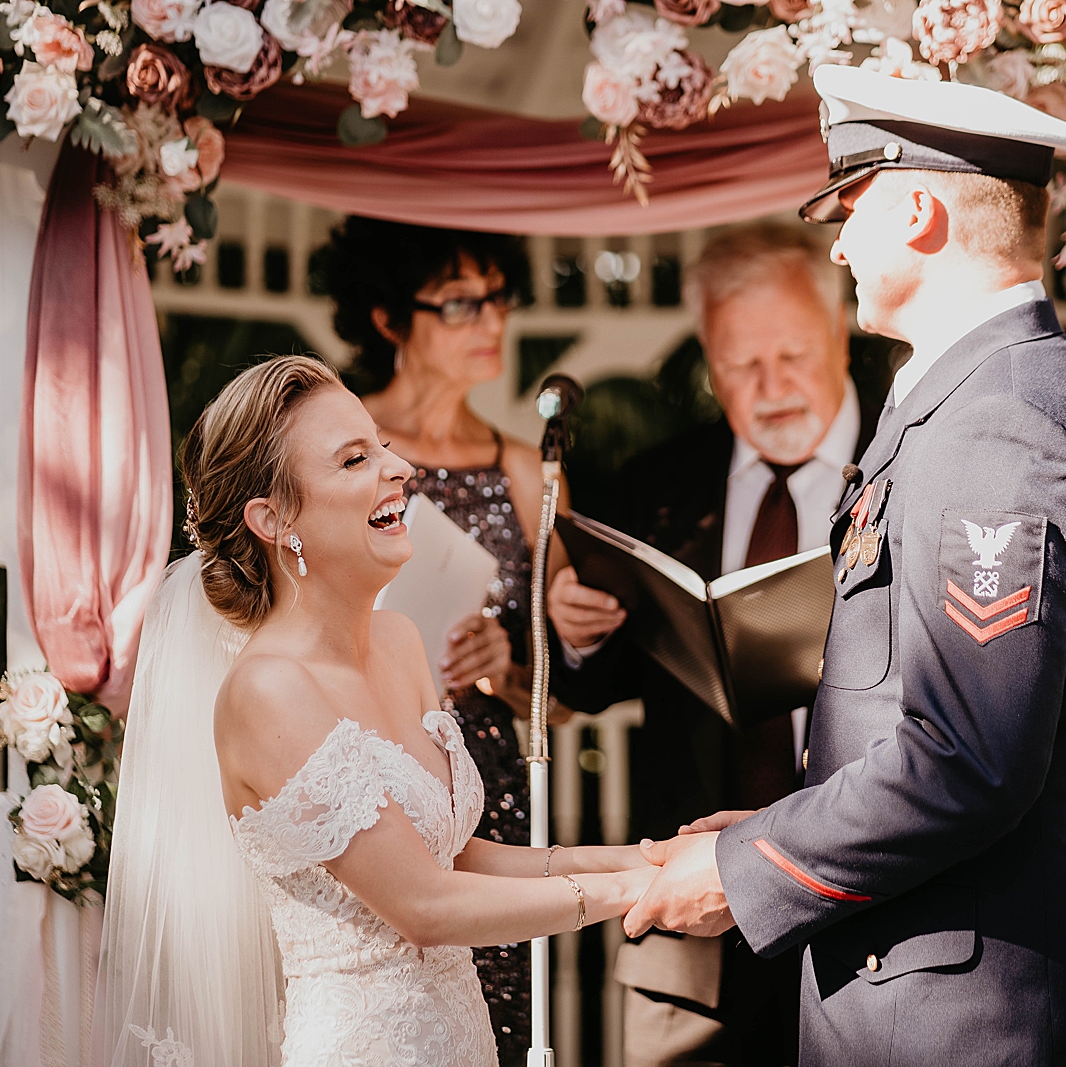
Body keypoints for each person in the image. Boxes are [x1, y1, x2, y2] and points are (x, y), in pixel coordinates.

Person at [619, 68, 1066, 1064]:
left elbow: (967, 758)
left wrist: (743, 866)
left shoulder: (994, 419)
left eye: (846, 205)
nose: (836, 241)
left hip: (965, 1025)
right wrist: (788, 818)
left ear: (915, 209)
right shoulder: (978, 394)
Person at [97, 355, 656, 1067]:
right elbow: (424, 906)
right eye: (355, 458)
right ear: (274, 519)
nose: (397, 469)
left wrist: (640, 856)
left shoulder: (400, 639)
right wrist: (632, 893)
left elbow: (449, 855)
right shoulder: (266, 691)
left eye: (382, 445)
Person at [548, 223, 875, 1067]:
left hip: (871, 924)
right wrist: (578, 634)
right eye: (740, 365)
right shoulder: (656, 484)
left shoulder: (902, 465)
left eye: (794, 354)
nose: (771, 387)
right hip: (690, 947)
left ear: (842, 328)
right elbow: (591, 686)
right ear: (708, 360)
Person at [317, 218, 568, 1062]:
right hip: (366, 794)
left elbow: (564, 700)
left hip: (489, 795)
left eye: (499, 298)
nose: (492, 321)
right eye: (461, 303)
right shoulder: (340, 461)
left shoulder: (526, 469)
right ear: (388, 318)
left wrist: (509, 667)